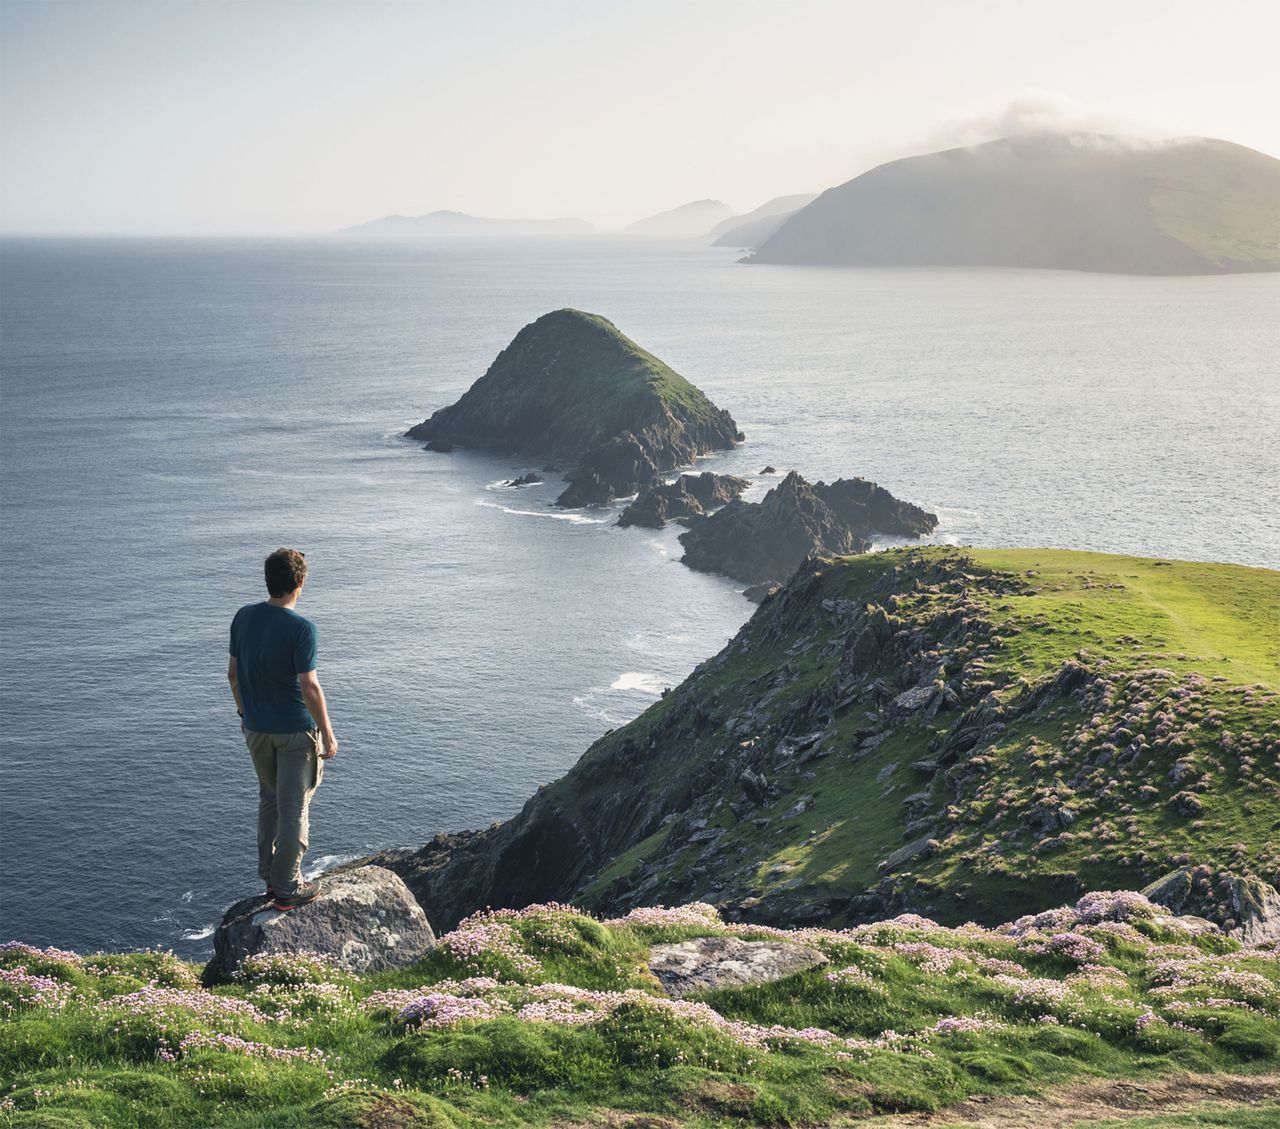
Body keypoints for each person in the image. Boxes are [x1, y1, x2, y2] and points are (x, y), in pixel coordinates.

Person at [227, 548, 338, 910]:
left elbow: (232, 674)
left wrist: (245, 714)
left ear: (268, 580)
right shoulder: (302, 629)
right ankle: (288, 887)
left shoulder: (243, 617)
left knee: (269, 801)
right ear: (301, 583)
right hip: (294, 732)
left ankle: (270, 879)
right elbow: (310, 687)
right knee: (294, 809)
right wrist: (327, 731)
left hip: (256, 729)